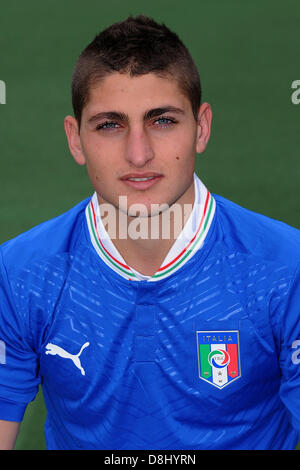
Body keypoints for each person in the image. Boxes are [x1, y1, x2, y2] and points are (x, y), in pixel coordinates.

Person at [0, 15, 299, 451]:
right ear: (75, 139)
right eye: (109, 125)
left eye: (162, 121)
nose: (138, 154)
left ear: (202, 127)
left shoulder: (285, 269)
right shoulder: (21, 274)